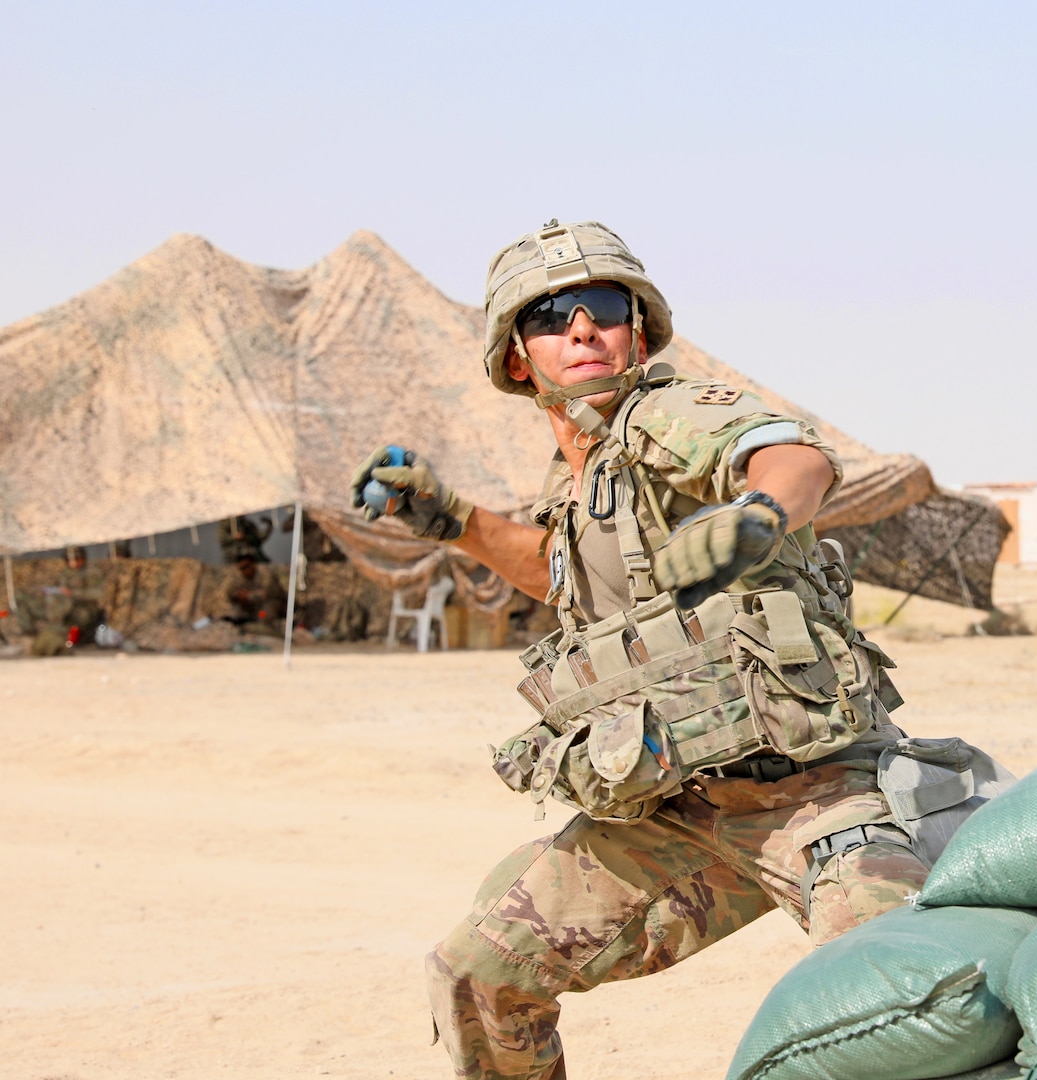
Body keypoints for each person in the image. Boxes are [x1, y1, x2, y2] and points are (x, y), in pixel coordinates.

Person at [352, 221, 931, 1080]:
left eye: (601, 307)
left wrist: (759, 514)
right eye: (551, 314)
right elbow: (559, 576)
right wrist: (454, 522)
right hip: (670, 811)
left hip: (812, 797)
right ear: (518, 357)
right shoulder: (580, 482)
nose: (580, 327)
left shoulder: (668, 415)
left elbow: (794, 459)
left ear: (638, 329)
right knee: (478, 974)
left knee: (899, 991)